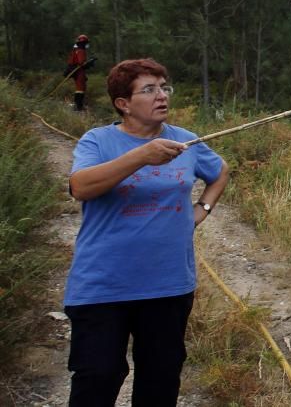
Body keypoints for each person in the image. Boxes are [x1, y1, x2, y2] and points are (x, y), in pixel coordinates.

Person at [64, 58, 230, 406]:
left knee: (161, 377)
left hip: (168, 284)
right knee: (99, 375)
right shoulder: (97, 141)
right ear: (123, 104)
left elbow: (220, 172)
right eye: (149, 89)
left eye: (164, 87)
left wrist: (201, 210)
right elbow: (80, 186)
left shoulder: (185, 141)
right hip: (102, 286)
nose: (162, 96)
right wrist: (141, 156)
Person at [64, 34, 95, 111]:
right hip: (78, 71)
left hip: (76, 70)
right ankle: (78, 106)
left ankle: (78, 105)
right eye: (86, 43)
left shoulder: (76, 50)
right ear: (84, 43)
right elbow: (81, 63)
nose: (87, 45)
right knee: (81, 87)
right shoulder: (81, 51)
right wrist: (90, 63)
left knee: (80, 87)